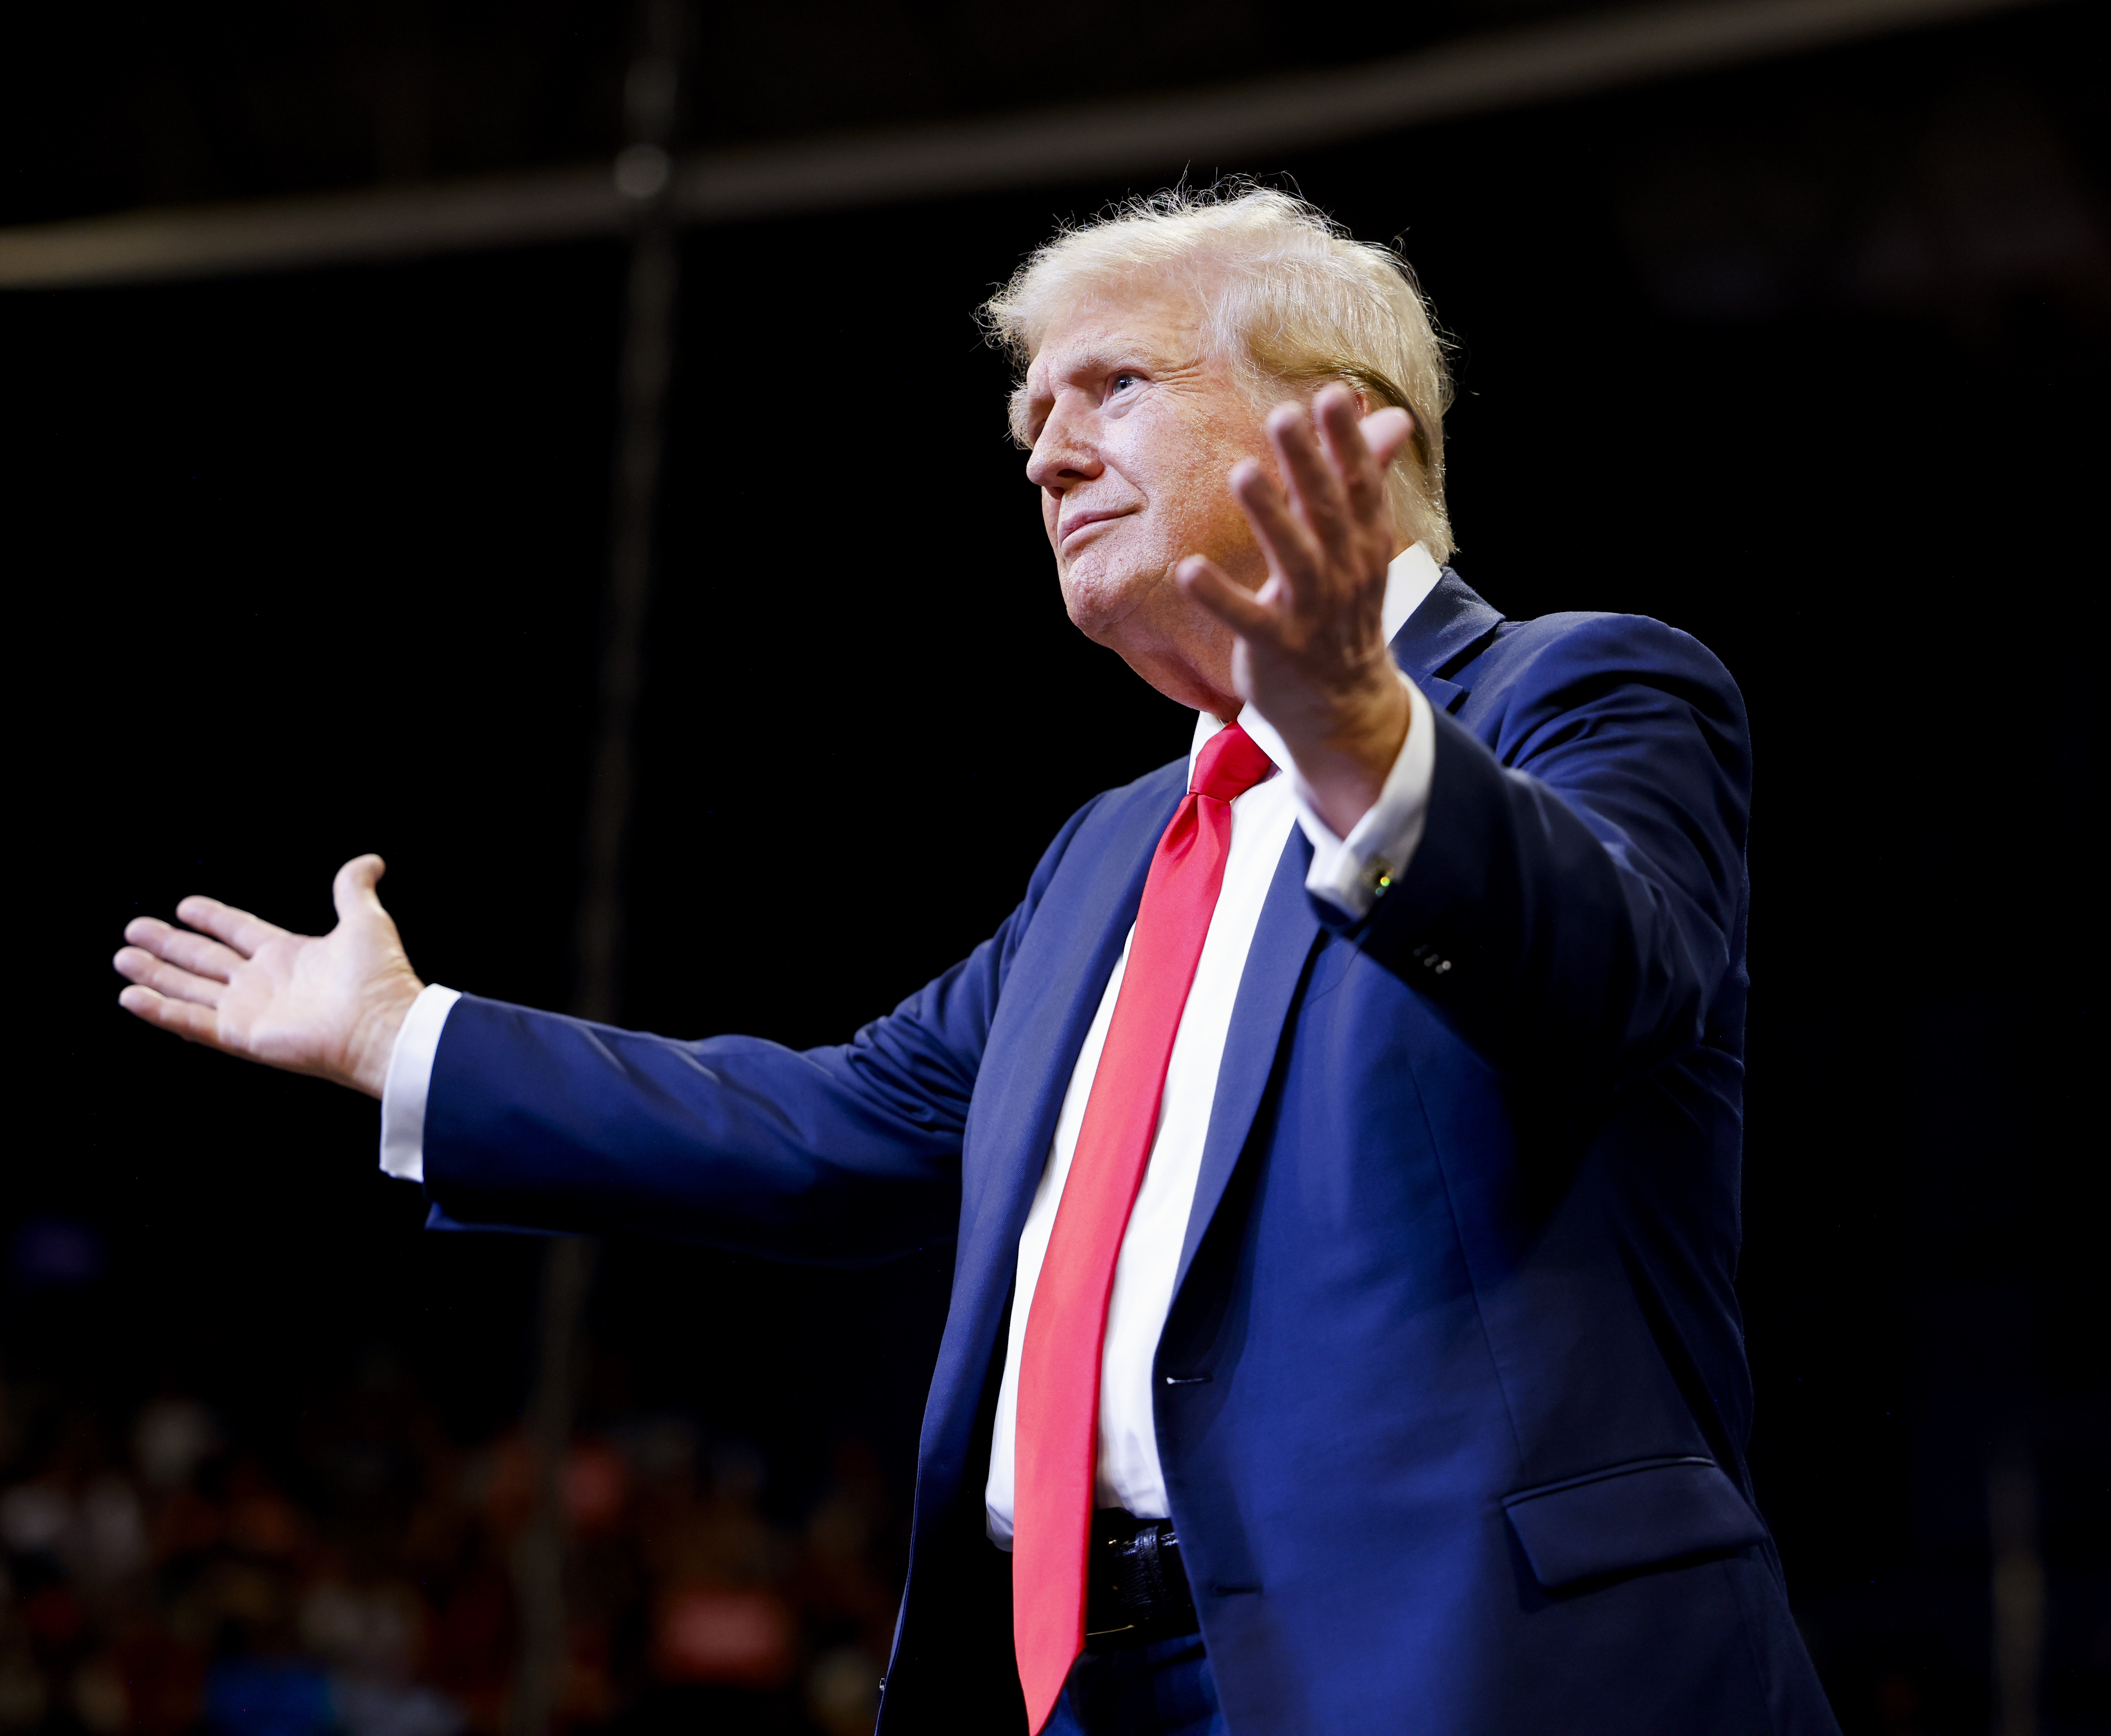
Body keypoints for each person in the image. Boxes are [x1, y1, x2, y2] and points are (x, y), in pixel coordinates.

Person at [113, 187, 1839, 1736]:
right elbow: (834, 1127)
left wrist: (1369, 749)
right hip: (1080, 1686)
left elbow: (1605, 972)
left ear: (1352, 436)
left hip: (1467, 1666)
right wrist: (409, 1041)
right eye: (1030, 417)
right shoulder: (1108, 859)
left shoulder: (1587, 692)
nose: (1048, 451)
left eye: (1117, 389)